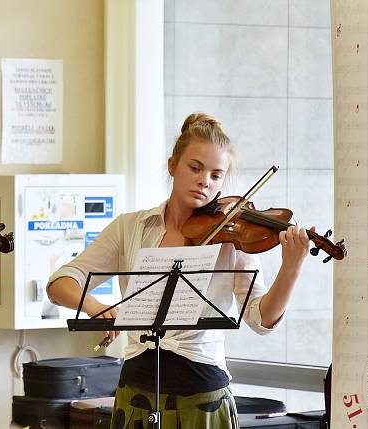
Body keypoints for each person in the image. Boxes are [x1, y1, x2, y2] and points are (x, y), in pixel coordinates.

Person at [46, 112, 313, 428]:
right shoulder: (130, 228)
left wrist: (291, 268)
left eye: (216, 175)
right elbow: (60, 282)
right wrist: (94, 307)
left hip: (203, 399)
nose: (205, 181)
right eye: (195, 168)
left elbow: (260, 319)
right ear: (173, 165)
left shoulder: (232, 237)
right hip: (136, 395)